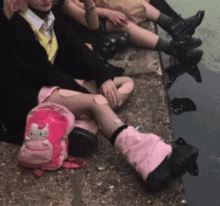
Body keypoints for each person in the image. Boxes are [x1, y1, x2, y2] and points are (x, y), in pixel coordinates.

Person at [1, 0, 199, 192]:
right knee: (96, 101)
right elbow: (43, 72)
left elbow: (79, 49)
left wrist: (102, 77)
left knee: (125, 83)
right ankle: (150, 163)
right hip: (28, 100)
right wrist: (85, 94)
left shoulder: (51, 18)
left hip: (50, 87)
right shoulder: (17, 25)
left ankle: (79, 125)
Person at [71, 0, 204, 65]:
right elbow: (81, 8)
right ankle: (176, 49)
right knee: (122, 23)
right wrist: (109, 12)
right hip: (85, 21)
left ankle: (176, 26)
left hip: (96, 7)